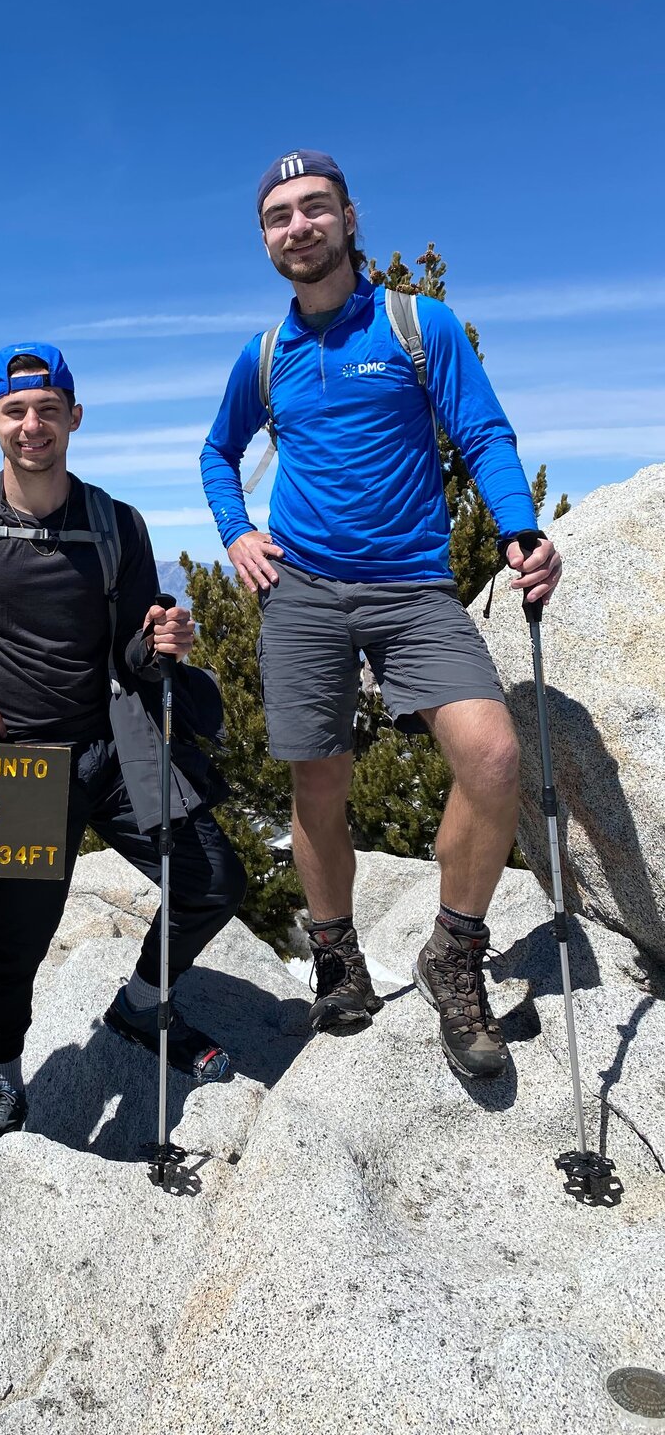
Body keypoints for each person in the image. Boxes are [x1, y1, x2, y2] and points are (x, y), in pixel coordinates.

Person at [201, 151, 562, 1081]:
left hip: (414, 587)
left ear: (350, 219)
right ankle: (336, 956)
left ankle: (452, 951)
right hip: (303, 591)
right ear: (267, 239)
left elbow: (481, 428)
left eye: (314, 208)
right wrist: (239, 532)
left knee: (492, 756)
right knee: (317, 788)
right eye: (279, 216)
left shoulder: (415, 323)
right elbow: (217, 452)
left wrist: (519, 526)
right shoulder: (265, 354)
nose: (298, 227)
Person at [0, 343, 246, 1135]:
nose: (32, 425)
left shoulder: (114, 522)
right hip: (14, 767)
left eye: (47, 410)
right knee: (15, 946)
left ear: (74, 416)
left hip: (108, 747)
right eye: (15, 411)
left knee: (213, 879)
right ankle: (5, 1076)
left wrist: (161, 642)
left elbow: (133, 650)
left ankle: (140, 1009)